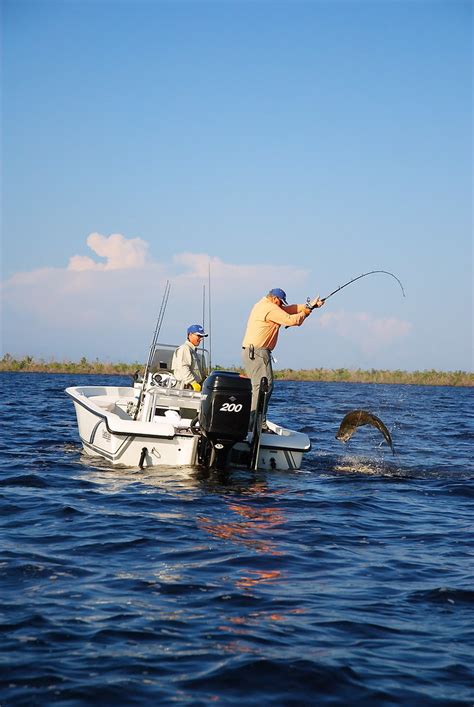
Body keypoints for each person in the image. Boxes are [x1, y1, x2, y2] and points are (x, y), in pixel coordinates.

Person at [241, 288, 324, 429]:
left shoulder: (263, 304)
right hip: (258, 353)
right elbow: (291, 320)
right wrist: (305, 313)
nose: (281, 305)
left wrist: (309, 306)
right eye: (280, 302)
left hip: (252, 353)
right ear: (274, 299)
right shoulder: (270, 308)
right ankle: (255, 424)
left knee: (259, 388)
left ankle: (254, 421)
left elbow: (288, 309)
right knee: (264, 388)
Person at [171, 324, 208, 391]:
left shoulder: (192, 350)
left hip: (193, 388)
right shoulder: (185, 348)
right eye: (199, 336)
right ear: (190, 335)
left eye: (202, 336)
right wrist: (193, 382)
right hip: (185, 389)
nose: (201, 339)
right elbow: (183, 367)